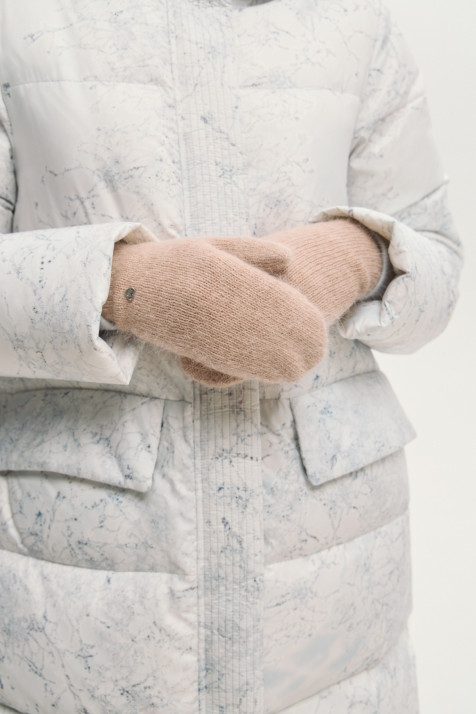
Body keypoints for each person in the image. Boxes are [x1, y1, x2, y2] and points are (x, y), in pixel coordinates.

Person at [0, 0, 462, 712]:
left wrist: (350, 255)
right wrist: (125, 285)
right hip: (82, 582)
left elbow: (438, 261)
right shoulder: (19, 21)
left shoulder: (355, 22)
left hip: (333, 574)